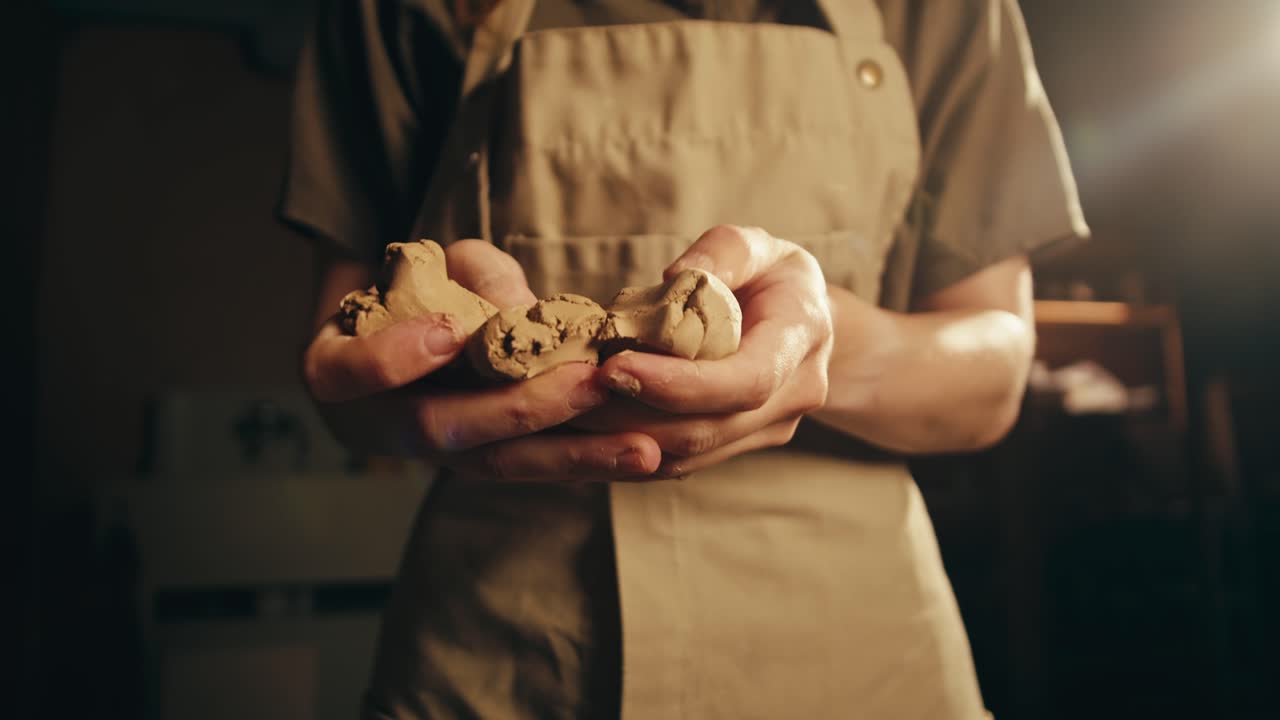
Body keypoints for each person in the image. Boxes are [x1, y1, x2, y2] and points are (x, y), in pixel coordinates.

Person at [280, 0, 1089, 717]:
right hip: (501, 656)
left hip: (855, 658)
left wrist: (824, 347)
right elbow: (341, 364)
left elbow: (994, 371)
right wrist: (406, 393)